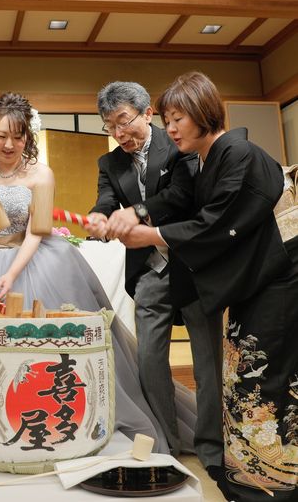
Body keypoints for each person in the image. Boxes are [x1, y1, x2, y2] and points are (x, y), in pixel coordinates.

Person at [0, 92, 192, 499]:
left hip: (38, 263)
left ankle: (48, 425)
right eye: (1, 136)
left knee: (49, 353)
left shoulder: (41, 174)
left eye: (17, 137)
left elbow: (37, 230)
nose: (8, 144)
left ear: (27, 136)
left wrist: (12, 272)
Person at [118, 71, 298, 501]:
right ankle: (250, 473)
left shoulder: (238, 153)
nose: (171, 129)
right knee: (240, 370)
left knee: (263, 375)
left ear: (203, 112)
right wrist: (140, 215)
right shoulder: (202, 160)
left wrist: (153, 235)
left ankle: (272, 482)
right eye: (167, 120)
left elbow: (217, 222)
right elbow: (181, 203)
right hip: (256, 276)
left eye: (178, 118)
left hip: (279, 276)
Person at [85, 81, 224, 476]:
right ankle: (167, 443)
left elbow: (181, 195)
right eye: (110, 126)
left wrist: (137, 211)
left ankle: (212, 446)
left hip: (192, 266)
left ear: (147, 113)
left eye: (123, 121)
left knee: (207, 362)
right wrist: (99, 217)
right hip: (148, 270)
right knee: (148, 361)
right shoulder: (109, 163)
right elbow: (106, 201)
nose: (118, 133)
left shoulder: (179, 143)